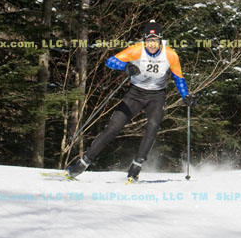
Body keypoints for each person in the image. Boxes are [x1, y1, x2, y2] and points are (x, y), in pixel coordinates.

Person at [66, 20, 197, 181]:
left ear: (160, 40)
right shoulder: (136, 50)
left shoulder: (170, 55)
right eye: (149, 41)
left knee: (153, 126)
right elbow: (110, 61)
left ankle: (136, 166)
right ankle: (83, 163)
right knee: (114, 127)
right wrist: (126, 67)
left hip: (156, 96)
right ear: (144, 40)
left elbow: (178, 78)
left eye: (155, 40)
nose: (152, 44)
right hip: (135, 94)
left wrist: (185, 96)